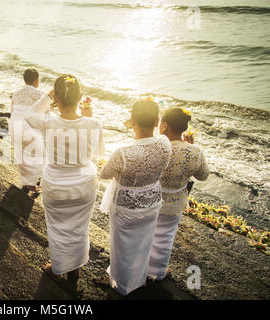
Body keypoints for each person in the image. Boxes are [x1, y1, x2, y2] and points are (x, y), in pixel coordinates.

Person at [25, 74, 105, 279]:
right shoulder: (93, 123)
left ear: (57, 100)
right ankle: (75, 267)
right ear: (80, 98)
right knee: (79, 228)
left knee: (58, 229)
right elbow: (98, 153)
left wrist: (50, 95)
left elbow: (29, 114)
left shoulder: (47, 122)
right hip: (85, 184)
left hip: (55, 185)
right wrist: (87, 116)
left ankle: (59, 266)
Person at [99, 98, 172, 296]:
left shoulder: (123, 153)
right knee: (143, 245)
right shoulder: (165, 144)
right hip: (152, 203)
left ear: (131, 121)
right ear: (157, 122)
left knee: (122, 249)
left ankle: (122, 287)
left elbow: (104, 173)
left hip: (126, 208)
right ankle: (139, 279)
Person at [148, 108, 209, 280]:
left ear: (165, 126)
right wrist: (189, 145)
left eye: (161, 123)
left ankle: (140, 268)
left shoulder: (155, 146)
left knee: (144, 235)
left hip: (151, 200)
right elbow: (203, 176)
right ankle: (157, 272)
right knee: (166, 238)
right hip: (175, 203)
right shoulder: (194, 151)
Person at [10, 67, 46, 195]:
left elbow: (12, 111)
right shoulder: (42, 95)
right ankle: (31, 183)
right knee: (41, 154)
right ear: (37, 80)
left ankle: (27, 182)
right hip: (28, 128)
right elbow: (46, 117)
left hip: (14, 125)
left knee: (23, 153)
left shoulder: (16, 93)